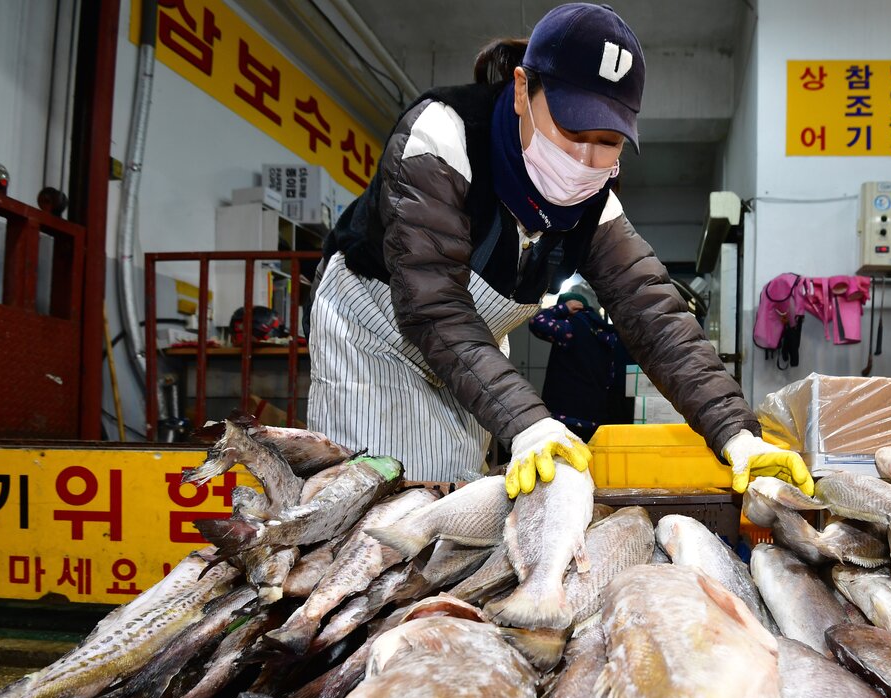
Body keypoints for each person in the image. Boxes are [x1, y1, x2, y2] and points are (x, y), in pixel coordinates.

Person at [309, 2, 812, 497]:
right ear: (524, 90)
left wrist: (738, 433)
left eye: (609, 141)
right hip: (376, 341)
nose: (586, 159)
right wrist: (530, 422)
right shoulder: (443, 136)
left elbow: (658, 322)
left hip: (469, 359)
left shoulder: (594, 201)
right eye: (572, 131)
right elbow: (433, 307)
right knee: (375, 499)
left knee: (455, 499)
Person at [527, 289, 632, 443]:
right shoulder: (608, 334)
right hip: (597, 418)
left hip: (566, 415)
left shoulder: (570, 328)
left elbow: (537, 322)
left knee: (565, 464)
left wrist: (562, 308)